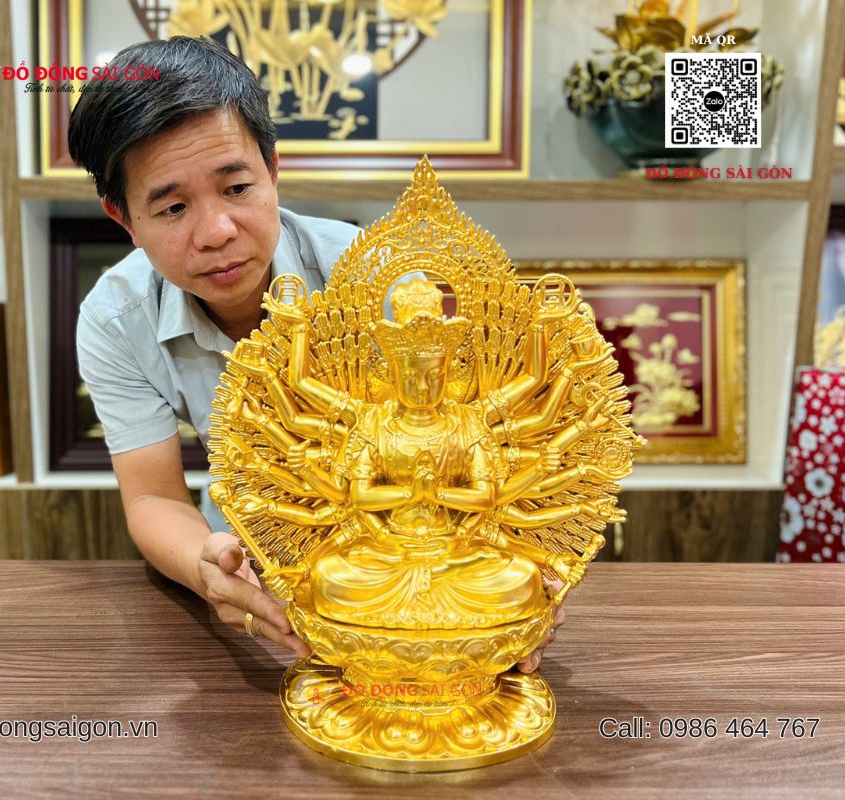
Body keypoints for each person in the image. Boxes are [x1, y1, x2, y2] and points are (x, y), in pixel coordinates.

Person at [69, 35, 563, 671]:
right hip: (252, 553)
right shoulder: (116, 319)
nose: (217, 231)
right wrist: (207, 567)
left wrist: (530, 566)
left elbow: (494, 460)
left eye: (237, 188)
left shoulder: (379, 282)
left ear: (273, 170)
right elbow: (153, 499)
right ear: (123, 218)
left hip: (413, 548)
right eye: (173, 207)